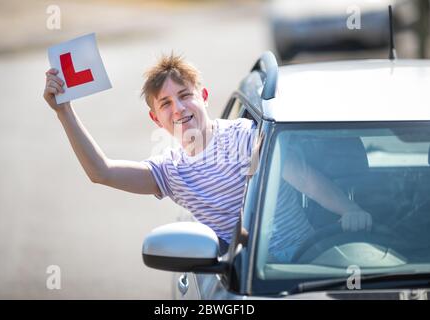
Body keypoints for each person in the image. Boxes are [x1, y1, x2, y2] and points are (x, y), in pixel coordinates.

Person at [43, 53, 372, 257]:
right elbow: (102, 172)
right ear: (156, 119)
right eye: (166, 104)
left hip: (309, 256)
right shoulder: (170, 172)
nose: (179, 108)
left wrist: (351, 209)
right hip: (249, 276)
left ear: (203, 96)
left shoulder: (243, 135)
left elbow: (304, 177)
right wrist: (64, 113)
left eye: (185, 96)